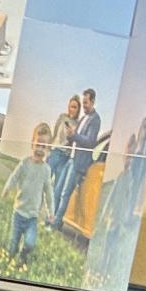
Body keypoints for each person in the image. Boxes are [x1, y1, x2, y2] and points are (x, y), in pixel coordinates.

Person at [8, 121, 52, 263]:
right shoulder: (25, 163)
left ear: (48, 149)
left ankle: (23, 255)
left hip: (32, 217)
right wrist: (7, 188)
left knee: (30, 243)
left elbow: (49, 193)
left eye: (44, 147)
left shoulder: (46, 170)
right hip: (18, 213)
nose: (40, 149)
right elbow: (14, 176)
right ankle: (11, 258)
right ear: (32, 143)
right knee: (13, 245)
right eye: (38, 144)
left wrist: (51, 212)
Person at [59, 86, 102, 227]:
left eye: (86, 103)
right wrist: (70, 135)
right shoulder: (83, 118)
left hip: (78, 163)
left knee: (65, 194)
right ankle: (54, 219)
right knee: (59, 190)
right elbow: (76, 138)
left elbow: (90, 142)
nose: (84, 106)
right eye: (83, 102)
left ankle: (55, 223)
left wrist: (75, 135)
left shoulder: (95, 119)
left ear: (93, 102)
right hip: (71, 159)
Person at [45, 95, 79, 224]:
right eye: (71, 106)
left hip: (65, 157)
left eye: (75, 107)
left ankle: (50, 217)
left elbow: (74, 141)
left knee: (57, 190)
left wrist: (72, 134)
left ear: (78, 109)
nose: (72, 109)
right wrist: (49, 150)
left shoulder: (77, 124)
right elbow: (54, 134)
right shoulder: (62, 117)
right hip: (54, 152)